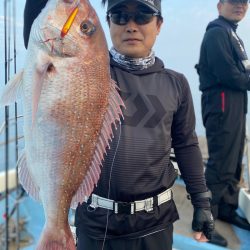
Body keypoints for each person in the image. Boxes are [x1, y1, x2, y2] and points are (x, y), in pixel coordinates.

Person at [23, 0, 215, 249]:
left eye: (143, 16)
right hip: (96, 222)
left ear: (159, 25)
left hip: (156, 223)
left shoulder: (176, 84)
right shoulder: (88, 69)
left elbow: (187, 145)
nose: (131, 26)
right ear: (108, 23)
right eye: (120, 16)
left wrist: (202, 200)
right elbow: (40, 38)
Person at [196, 0, 250, 246]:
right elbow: (230, 75)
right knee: (220, 163)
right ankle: (203, 222)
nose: (240, 6)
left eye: (244, 2)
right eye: (234, 1)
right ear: (219, 5)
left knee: (234, 157)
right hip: (222, 105)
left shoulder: (231, 33)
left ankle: (227, 208)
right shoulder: (217, 32)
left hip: (235, 105)